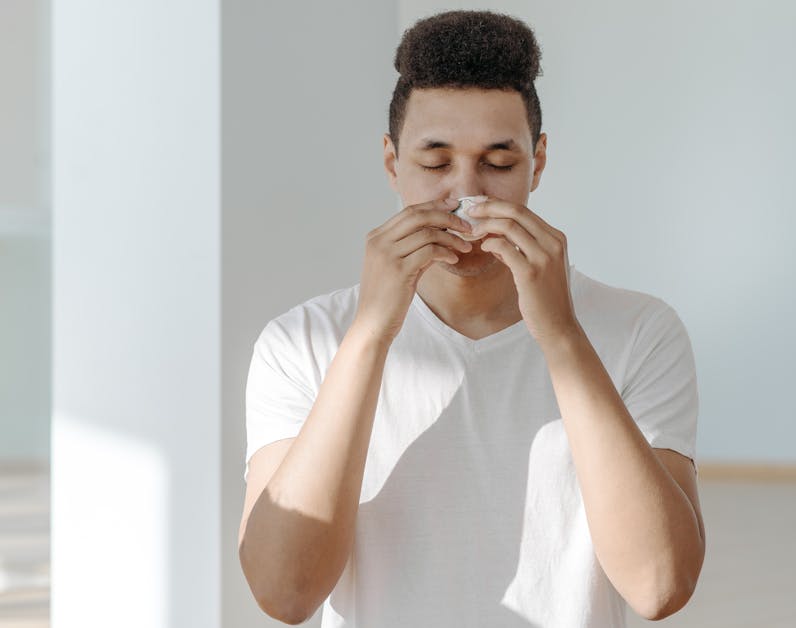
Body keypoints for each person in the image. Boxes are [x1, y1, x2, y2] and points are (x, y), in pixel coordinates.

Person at [238, 9, 705, 627]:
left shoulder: (640, 331)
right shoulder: (301, 343)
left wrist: (561, 337)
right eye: (435, 163)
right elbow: (284, 592)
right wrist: (372, 331)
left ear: (538, 163)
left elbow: (659, 587)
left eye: (499, 163)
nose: (465, 194)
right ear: (391, 162)